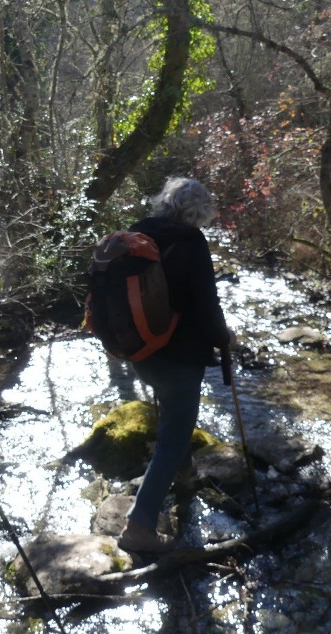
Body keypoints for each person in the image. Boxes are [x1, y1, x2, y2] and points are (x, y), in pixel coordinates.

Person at [116, 177, 234, 554]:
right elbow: (207, 303)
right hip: (179, 357)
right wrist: (224, 338)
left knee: (173, 419)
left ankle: (183, 477)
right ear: (198, 211)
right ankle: (139, 525)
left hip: (139, 351)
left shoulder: (136, 235)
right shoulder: (192, 242)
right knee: (173, 436)